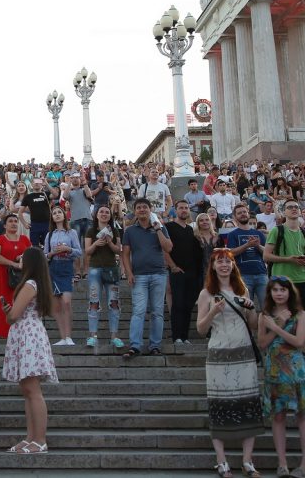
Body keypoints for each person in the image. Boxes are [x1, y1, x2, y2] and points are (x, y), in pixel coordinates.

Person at [196, 250, 262, 478]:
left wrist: (252, 308)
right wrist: (213, 311)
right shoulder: (206, 294)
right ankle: (221, 460)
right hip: (218, 353)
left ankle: (247, 460)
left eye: (228, 261)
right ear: (213, 267)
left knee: (248, 402)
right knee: (219, 404)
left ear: (233, 265)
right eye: (219, 261)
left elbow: (253, 325)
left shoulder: (242, 290)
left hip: (244, 352)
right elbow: (200, 329)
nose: (224, 265)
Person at [1, 245, 58, 454]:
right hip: (27, 333)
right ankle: (31, 437)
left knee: (32, 391)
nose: (19, 259)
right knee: (27, 390)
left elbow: (14, 316)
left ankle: (40, 439)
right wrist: (10, 313)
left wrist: (9, 312)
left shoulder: (29, 284)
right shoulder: (34, 283)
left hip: (28, 335)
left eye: (23, 257)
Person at [258, 277, 305, 478]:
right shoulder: (264, 315)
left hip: (295, 370)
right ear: (270, 293)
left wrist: (276, 327)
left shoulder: (300, 315)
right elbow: (262, 344)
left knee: (302, 414)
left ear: (290, 292)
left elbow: (299, 342)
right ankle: (282, 463)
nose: (279, 293)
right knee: (278, 416)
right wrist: (276, 322)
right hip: (274, 370)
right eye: (275, 290)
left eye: (283, 289)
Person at [263, 200, 305, 368]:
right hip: (282, 280)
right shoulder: (276, 231)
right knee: (284, 318)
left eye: (296, 207)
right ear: (284, 212)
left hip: (302, 278)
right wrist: (289, 259)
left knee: (302, 318)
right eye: (290, 207)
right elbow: (266, 256)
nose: (294, 209)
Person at [121, 198, 173, 359]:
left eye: (145, 207)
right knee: (139, 311)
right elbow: (125, 254)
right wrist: (128, 273)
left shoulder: (160, 227)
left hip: (159, 274)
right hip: (139, 276)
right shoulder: (130, 231)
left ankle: (155, 345)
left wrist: (158, 229)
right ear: (135, 211)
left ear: (150, 210)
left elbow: (169, 247)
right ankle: (135, 345)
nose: (142, 210)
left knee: (157, 312)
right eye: (139, 208)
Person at [84, 204, 125, 348]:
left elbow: (118, 250)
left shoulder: (114, 230)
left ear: (110, 216)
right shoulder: (91, 230)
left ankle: (114, 336)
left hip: (111, 268)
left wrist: (108, 241)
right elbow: (88, 251)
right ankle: (93, 335)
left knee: (114, 302)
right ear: (96, 215)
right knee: (93, 301)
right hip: (95, 268)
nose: (104, 214)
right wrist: (96, 243)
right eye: (101, 212)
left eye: (107, 212)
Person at [165, 201, 203, 345]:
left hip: (192, 273)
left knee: (188, 305)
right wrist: (173, 266)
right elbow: (163, 248)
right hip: (177, 272)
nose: (184, 210)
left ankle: (185, 336)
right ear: (175, 210)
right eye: (181, 208)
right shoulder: (168, 227)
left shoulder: (190, 230)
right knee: (178, 304)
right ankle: (177, 336)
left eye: (186, 208)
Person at [44, 205, 82, 346]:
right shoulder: (50, 235)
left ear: (64, 215)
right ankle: (62, 337)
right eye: (54, 213)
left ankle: (68, 336)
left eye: (59, 212)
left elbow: (79, 252)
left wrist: (68, 249)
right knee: (57, 306)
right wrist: (52, 253)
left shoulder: (71, 232)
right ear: (52, 217)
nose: (57, 214)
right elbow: (45, 255)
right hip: (53, 268)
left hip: (66, 267)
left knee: (66, 301)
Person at [0, 213, 31, 338]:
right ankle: (2, 332)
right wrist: (13, 263)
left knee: (20, 302)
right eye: (10, 221)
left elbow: (31, 255)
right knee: (3, 302)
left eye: (15, 221)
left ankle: (20, 330)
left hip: (21, 276)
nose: (14, 223)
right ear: (4, 225)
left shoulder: (25, 239)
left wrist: (22, 257)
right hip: (3, 275)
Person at [226, 203, 268, 308]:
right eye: (239, 213)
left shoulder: (259, 234)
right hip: (242, 276)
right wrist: (247, 245)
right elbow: (231, 253)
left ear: (248, 214)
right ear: (235, 217)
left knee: (268, 309)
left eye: (244, 212)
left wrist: (257, 245)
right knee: (246, 310)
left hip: (262, 274)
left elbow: (267, 253)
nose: (243, 214)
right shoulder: (232, 234)